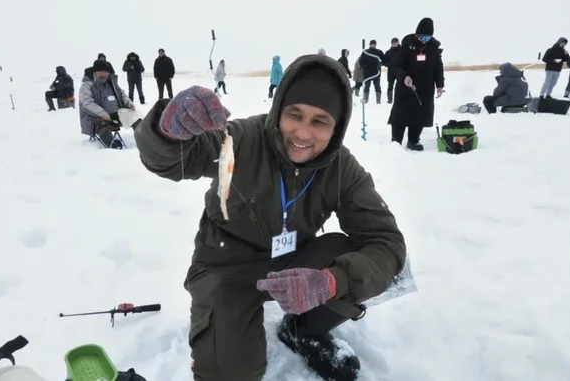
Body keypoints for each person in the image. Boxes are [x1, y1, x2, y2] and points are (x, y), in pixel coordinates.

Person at [133, 54, 407, 381]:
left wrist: (332, 282)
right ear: (278, 111)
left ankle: (303, 329)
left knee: (384, 266)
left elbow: (386, 242)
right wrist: (167, 130)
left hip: (291, 264)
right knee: (231, 375)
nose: (303, 134)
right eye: (295, 115)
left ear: (337, 127)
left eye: (320, 121)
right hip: (225, 270)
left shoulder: (341, 169)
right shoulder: (243, 139)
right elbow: (174, 159)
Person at [388, 17, 445, 151]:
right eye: (421, 36)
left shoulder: (434, 48)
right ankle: (396, 140)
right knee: (400, 114)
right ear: (416, 33)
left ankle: (413, 141)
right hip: (406, 85)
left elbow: (438, 67)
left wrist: (440, 85)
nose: (423, 39)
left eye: (427, 37)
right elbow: (398, 66)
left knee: (420, 114)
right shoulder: (407, 45)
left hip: (425, 87)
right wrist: (404, 76)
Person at [79, 60, 144, 148]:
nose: (103, 75)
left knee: (134, 115)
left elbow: (122, 94)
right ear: (95, 73)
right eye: (100, 72)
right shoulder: (87, 86)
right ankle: (112, 144)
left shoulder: (111, 83)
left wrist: (128, 102)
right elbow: (87, 102)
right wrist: (102, 113)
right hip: (95, 118)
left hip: (114, 115)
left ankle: (144, 138)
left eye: (105, 72)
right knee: (101, 123)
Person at [358, 40, 386, 104]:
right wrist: (365, 67)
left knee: (377, 86)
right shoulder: (365, 52)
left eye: (374, 44)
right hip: (367, 74)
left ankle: (378, 101)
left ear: (376, 44)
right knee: (367, 86)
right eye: (372, 44)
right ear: (370, 45)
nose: (373, 45)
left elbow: (384, 60)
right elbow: (361, 62)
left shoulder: (379, 52)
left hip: (376, 73)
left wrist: (381, 64)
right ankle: (366, 100)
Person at [383, 38, 402, 104]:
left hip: (400, 71)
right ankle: (389, 100)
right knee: (390, 86)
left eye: (395, 42)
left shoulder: (402, 50)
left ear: (398, 42)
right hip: (391, 71)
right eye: (393, 43)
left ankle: (399, 99)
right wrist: (390, 64)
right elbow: (384, 62)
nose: (394, 44)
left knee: (400, 86)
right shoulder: (388, 52)